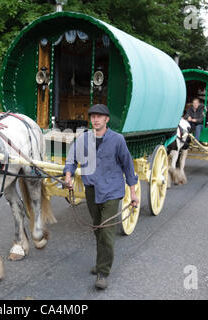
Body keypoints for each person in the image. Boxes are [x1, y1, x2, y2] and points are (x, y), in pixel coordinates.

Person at [63, 104, 139, 290]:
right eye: (93, 116)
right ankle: (100, 262)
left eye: (99, 116)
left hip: (112, 191)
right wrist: (68, 176)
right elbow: (72, 159)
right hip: (92, 190)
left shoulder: (117, 140)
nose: (95, 119)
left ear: (106, 119)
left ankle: (103, 272)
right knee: (98, 229)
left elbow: (128, 167)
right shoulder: (84, 139)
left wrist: (133, 193)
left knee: (106, 231)